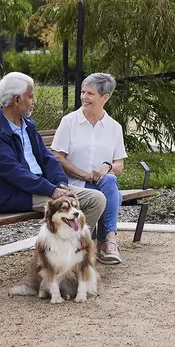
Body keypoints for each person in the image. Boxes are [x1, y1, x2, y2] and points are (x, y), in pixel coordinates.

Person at [0, 72, 106, 230]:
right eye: (31, 96)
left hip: (43, 187)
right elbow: (13, 172)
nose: (34, 101)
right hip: (15, 195)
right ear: (17, 99)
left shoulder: (28, 125)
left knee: (97, 199)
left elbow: (47, 159)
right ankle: (73, 248)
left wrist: (60, 183)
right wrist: (51, 189)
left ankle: (74, 247)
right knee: (66, 205)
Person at [51, 73, 127, 265]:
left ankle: (107, 239)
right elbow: (57, 157)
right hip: (74, 185)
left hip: (103, 185)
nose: (84, 97)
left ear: (105, 97)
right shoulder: (69, 122)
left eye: (90, 93)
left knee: (110, 180)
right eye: (83, 92)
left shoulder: (114, 127)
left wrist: (107, 166)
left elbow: (119, 165)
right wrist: (84, 174)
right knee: (113, 194)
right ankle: (106, 242)